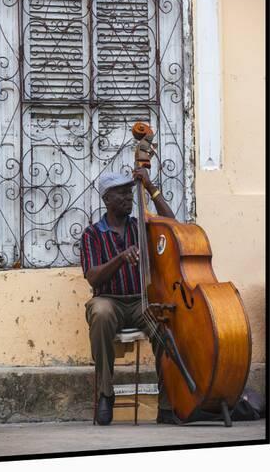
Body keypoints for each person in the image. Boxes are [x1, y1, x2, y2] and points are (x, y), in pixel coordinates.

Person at [80, 168, 176, 426]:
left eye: (130, 192)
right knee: (99, 313)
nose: (128, 198)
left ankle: (168, 402)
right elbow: (93, 277)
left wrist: (151, 188)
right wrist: (120, 259)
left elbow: (172, 225)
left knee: (165, 323)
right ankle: (105, 393)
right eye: (121, 193)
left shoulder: (140, 226)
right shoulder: (92, 234)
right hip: (108, 299)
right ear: (107, 199)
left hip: (139, 301)